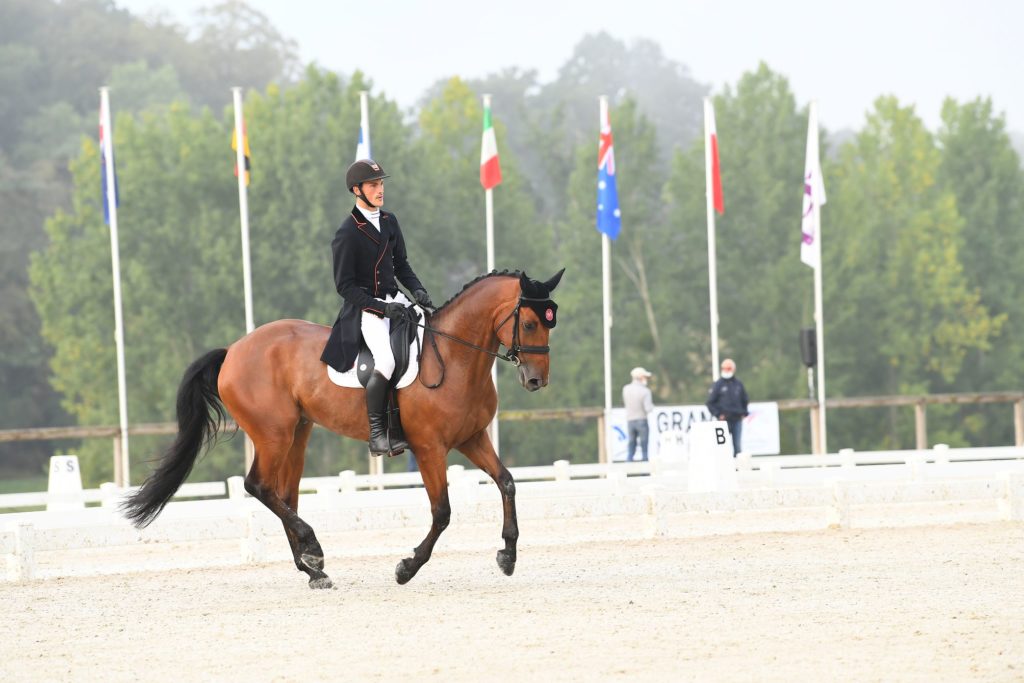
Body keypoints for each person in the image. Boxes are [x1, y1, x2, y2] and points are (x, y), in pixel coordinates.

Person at [320, 159, 434, 457]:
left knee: (429, 337)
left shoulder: (389, 221)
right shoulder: (347, 233)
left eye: (381, 183)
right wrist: (380, 309)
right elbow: (344, 287)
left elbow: (401, 265)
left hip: (395, 299)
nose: (380, 189)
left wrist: (417, 290)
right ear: (357, 190)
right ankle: (378, 432)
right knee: (385, 360)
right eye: (374, 185)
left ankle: (403, 426)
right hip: (365, 310)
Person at [705, 358, 749, 456]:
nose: (726, 370)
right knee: (722, 446)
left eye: (728, 368)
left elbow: (745, 399)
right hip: (724, 420)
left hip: (737, 419)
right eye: (724, 368)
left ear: (733, 369)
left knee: (737, 446)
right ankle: (723, 467)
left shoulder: (738, 384)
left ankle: (738, 468)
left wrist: (744, 412)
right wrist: (718, 414)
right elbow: (710, 403)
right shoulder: (718, 384)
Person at [622, 367, 655, 462]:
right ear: (641, 377)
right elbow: (648, 408)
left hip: (630, 420)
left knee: (631, 446)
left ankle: (628, 468)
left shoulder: (626, 389)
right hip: (642, 420)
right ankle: (645, 472)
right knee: (644, 447)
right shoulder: (645, 391)